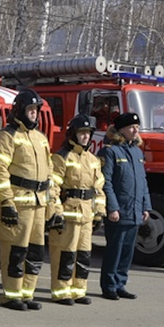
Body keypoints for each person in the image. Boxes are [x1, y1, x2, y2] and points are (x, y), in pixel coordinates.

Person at [0, 89, 60, 311]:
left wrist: (53, 206)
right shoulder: (7, 136)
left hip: (39, 203)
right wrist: (7, 202)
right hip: (19, 202)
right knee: (15, 251)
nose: (34, 114)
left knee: (35, 251)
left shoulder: (40, 138)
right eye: (30, 109)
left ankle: (27, 294)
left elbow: (49, 173)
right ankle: (12, 296)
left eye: (36, 110)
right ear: (20, 110)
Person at [47, 115, 105, 305]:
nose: (86, 137)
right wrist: (56, 212)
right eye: (82, 133)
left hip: (87, 214)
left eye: (88, 133)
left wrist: (99, 212)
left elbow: (98, 188)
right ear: (73, 134)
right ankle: (61, 291)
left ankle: (78, 290)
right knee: (65, 253)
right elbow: (53, 187)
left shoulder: (93, 159)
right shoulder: (61, 157)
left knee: (83, 253)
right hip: (68, 213)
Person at [98, 112, 152, 301]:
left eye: (137, 127)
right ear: (121, 129)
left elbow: (142, 182)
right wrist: (112, 207)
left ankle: (121, 283)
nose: (135, 130)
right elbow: (106, 182)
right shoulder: (110, 151)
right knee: (115, 249)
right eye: (131, 127)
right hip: (119, 210)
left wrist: (146, 206)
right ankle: (109, 285)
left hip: (134, 210)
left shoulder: (137, 152)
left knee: (127, 251)